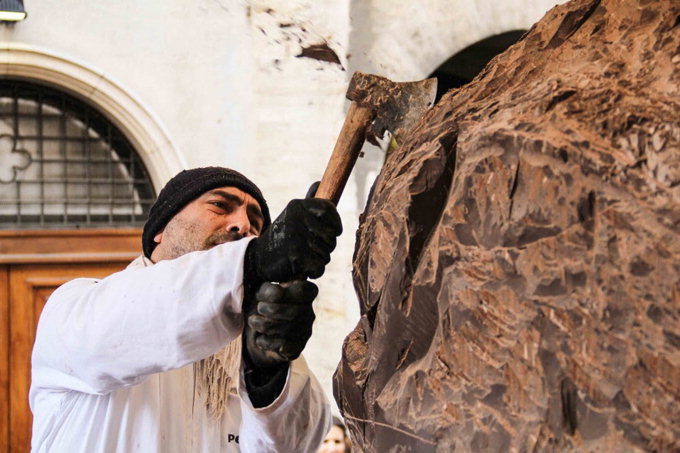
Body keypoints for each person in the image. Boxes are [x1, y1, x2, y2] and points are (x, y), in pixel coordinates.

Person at [29, 166, 343, 452]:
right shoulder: (75, 308)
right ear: (159, 230)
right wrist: (253, 260)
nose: (243, 225)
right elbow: (119, 327)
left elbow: (297, 443)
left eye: (257, 224)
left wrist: (268, 375)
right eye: (221, 205)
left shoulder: (255, 338)